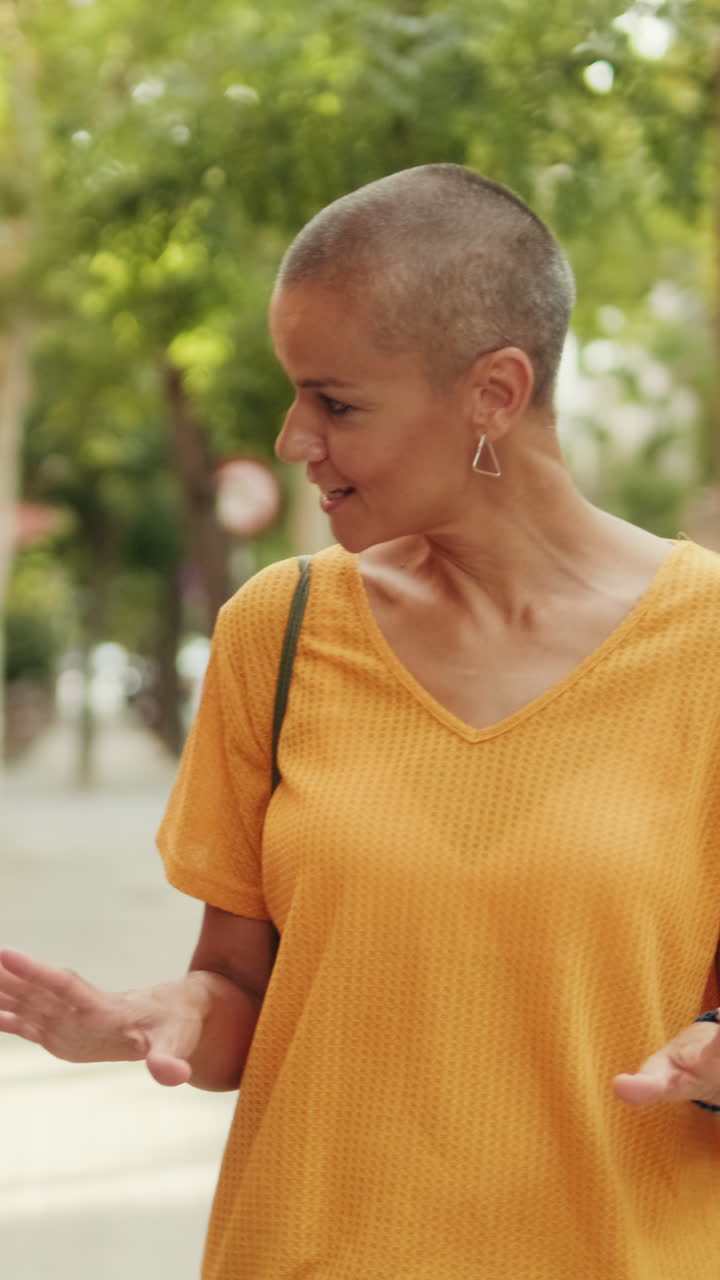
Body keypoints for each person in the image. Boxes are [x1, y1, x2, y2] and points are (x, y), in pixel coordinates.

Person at [2, 163, 720, 1279]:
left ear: (495, 391)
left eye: (336, 402)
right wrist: (164, 1016)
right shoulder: (275, 631)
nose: (296, 437)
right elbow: (242, 987)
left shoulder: (709, 648)